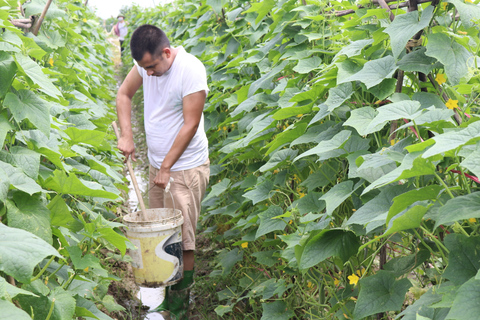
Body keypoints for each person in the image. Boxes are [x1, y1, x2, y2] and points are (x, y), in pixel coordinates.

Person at [116, 25, 210, 320]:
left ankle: (180, 305)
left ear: (166, 53)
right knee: (161, 236)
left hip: (185, 169)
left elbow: (190, 124)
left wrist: (167, 166)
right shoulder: (146, 66)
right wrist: (127, 136)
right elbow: (123, 94)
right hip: (159, 166)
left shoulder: (191, 70)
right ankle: (167, 300)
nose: (149, 74)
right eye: (145, 68)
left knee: (183, 240)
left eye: (152, 67)